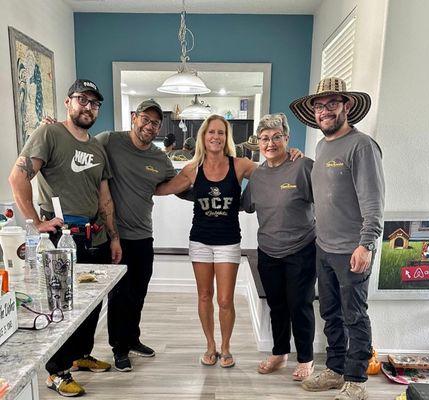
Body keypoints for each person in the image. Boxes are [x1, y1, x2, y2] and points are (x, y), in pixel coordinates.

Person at [9, 79, 122, 397]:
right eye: (82, 100)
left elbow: (105, 197)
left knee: (92, 304)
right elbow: (18, 176)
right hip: (62, 239)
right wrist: (34, 222)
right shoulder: (49, 134)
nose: (88, 107)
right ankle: (56, 372)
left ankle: (80, 356)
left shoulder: (96, 146)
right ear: (68, 102)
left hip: (94, 235)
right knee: (63, 305)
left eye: (95, 103)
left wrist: (113, 237)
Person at [289, 77, 385, 400]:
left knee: (354, 315)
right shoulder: (322, 145)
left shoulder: (362, 146)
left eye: (332, 104)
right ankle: (335, 368)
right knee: (329, 311)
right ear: (313, 112)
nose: (325, 111)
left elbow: (374, 202)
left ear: (346, 106)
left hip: (352, 251)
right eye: (320, 106)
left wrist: (366, 243)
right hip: (324, 247)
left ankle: (356, 380)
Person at [156, 114, 257, 368]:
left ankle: (226, 347)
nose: (216, 137)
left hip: (228, 242)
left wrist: (291, 157)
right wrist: (133, 180)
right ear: (203, 136)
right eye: (211, 132)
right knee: (204, 296)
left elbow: (273, 173)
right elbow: (165, 188)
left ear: (226, 137)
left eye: (221, 133)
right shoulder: (193, 168)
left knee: (224, 300)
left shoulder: (240, 165)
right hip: (200, 241)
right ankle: (210, 346)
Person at [95, 100, 178, 372]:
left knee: (138, 293)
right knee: (120, 295)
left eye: (155, 123)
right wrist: (57, 131)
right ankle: (118, 348)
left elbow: (174, 184)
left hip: (143, 235)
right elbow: (79, 146)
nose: (150, 126)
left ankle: (132, 339)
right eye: (146, 119)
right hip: (113, 236)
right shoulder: (109, 141)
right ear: (134, 117)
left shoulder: (158, 158)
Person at [241, 113, 316, 381]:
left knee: (300, 305)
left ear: (286, 138)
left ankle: (306, 358)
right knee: (277, 305)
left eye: (276, 137)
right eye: (264, 138)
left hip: (301, 249)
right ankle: (280, 352)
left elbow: (325, 201)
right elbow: (245, 205)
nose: (270, 143)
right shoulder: (257, 175)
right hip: (268, 251)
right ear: (258, 143)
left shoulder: (303, 166)